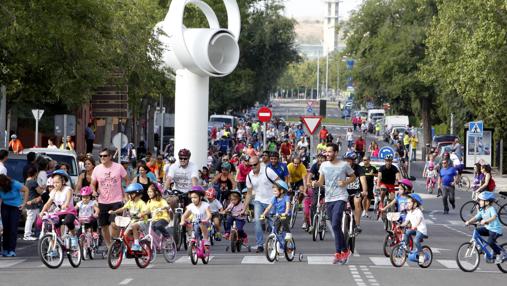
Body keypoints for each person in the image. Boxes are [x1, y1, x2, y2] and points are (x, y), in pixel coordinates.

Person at [312, 143, 356, 264]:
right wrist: (316, 183)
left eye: (330, 152)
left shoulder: (344, 165)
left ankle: (339, 252)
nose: (327, 154)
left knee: (336, 223)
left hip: (341, 196)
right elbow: (321, 182)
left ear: (336, 153)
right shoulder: (324, 165)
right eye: (326, 152)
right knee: (335, 226)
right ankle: (343, 251)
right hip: (329, 198)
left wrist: (346, 182)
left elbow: (353, 176)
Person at [90, 148, 130, 248]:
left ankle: (114, 243)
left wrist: (127, 194)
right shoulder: (97, 169)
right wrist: (94, 191)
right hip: (102, 201)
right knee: (104, 226)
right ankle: (109, 246)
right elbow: (92, 183)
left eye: (105, 156)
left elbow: (127, 180)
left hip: (116, 200)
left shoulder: (118, 167)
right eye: (101, 156)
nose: (102, 158)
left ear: (110, 157)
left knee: (114, 224)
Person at [243, 156, 279, 253]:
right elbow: (249, 193)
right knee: (257, 222)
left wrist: (279, 196)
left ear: (259, 163)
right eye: (251, 165)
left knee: (273, 224)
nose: (253, 167)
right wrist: (244, 208)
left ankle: (278, 243)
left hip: (271, 201)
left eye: (255, 164)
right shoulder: (249, 176)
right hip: (258, 201)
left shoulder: (268, 171)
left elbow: (278, 181)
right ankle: (260, 245)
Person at [39, 170, 78, 249]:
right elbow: (48, 203)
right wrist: (42, 212)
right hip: (59, 213)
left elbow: (67, 200)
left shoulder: (68, 189)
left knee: (68, 221)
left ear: (63, 181)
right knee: (52, 226)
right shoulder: (53, 191)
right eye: (54, 182)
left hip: (69, 212)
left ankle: (74, 237)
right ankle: (54, 248)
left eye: (57, 182)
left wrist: (65, 205)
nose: (55, 184)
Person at [465, 192, 506, 264]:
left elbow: (494, 217)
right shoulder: (482, 210)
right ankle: (480, 247)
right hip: (488, 228)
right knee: (477, 231)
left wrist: (486, 221)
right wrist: (469, 222)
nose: (479, 202)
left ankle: (501, 253)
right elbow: (476, 217)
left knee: (490, 242)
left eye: (481, 200)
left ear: (487, 202)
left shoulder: (491, 208)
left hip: (495, 230)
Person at [109, 183, 146, 251]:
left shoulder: (141, 203)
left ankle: (137, 244)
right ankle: (130, 248)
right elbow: (123, 208)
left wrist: (141, 215)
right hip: (132, 222)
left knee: (134, 226)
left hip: (142, 222)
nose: (129, 196)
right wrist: (114, 212)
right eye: (129, 194)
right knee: (125, 235)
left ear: (138, 194)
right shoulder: (130, 202)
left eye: (131, 194)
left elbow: (144, 212)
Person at [0, 174, 28, 256]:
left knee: (13, 228)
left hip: (15, 207)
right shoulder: (0, 186)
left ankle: (12, 250)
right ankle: (5, 249)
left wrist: (24, 203)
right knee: (5, 229)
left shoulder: (15, 184)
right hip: (5, 206)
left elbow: (26, 190)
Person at [343, 152, 368, 234]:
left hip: (356, 192)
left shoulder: (359, 169)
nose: (347, 162)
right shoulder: (342, 168)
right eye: (345, 160)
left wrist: (364, 191)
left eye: (349, 160)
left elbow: (363, 180)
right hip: (343, 191)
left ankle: (357, 225)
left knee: (357, 202)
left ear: (353, 161)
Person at [401, 193, 428, 264]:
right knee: (406, 232)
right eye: (407, 203)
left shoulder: (418, 212)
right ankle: (407, 248)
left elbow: (419, 220)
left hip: (421, 230)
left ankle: (421, 255)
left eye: (409, 203)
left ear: (415, 204)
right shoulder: (409, 212)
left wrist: (415, 226)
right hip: (415, 229)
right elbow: (406, 222)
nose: (408, 204)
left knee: (416, 240)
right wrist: (400, 225)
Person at [23, 167, 43, 240]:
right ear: (35, 173)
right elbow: (39, 191)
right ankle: (27, 235)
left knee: (33, 218)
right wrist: (43, 189)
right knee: (30, 219)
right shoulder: (33, 182)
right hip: (33, 203)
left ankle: (30, 233)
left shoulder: (27, 180)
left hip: (29, 201)